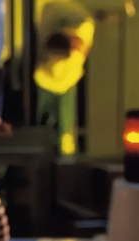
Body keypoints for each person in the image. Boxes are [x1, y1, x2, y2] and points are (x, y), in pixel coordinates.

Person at [34, 0, 95, 155]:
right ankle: (51, 152)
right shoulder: (56, 19)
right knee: (52, 126)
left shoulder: (82, 25)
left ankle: (62, 155)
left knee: (63, 129)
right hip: (53, 80)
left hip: (61, 81)